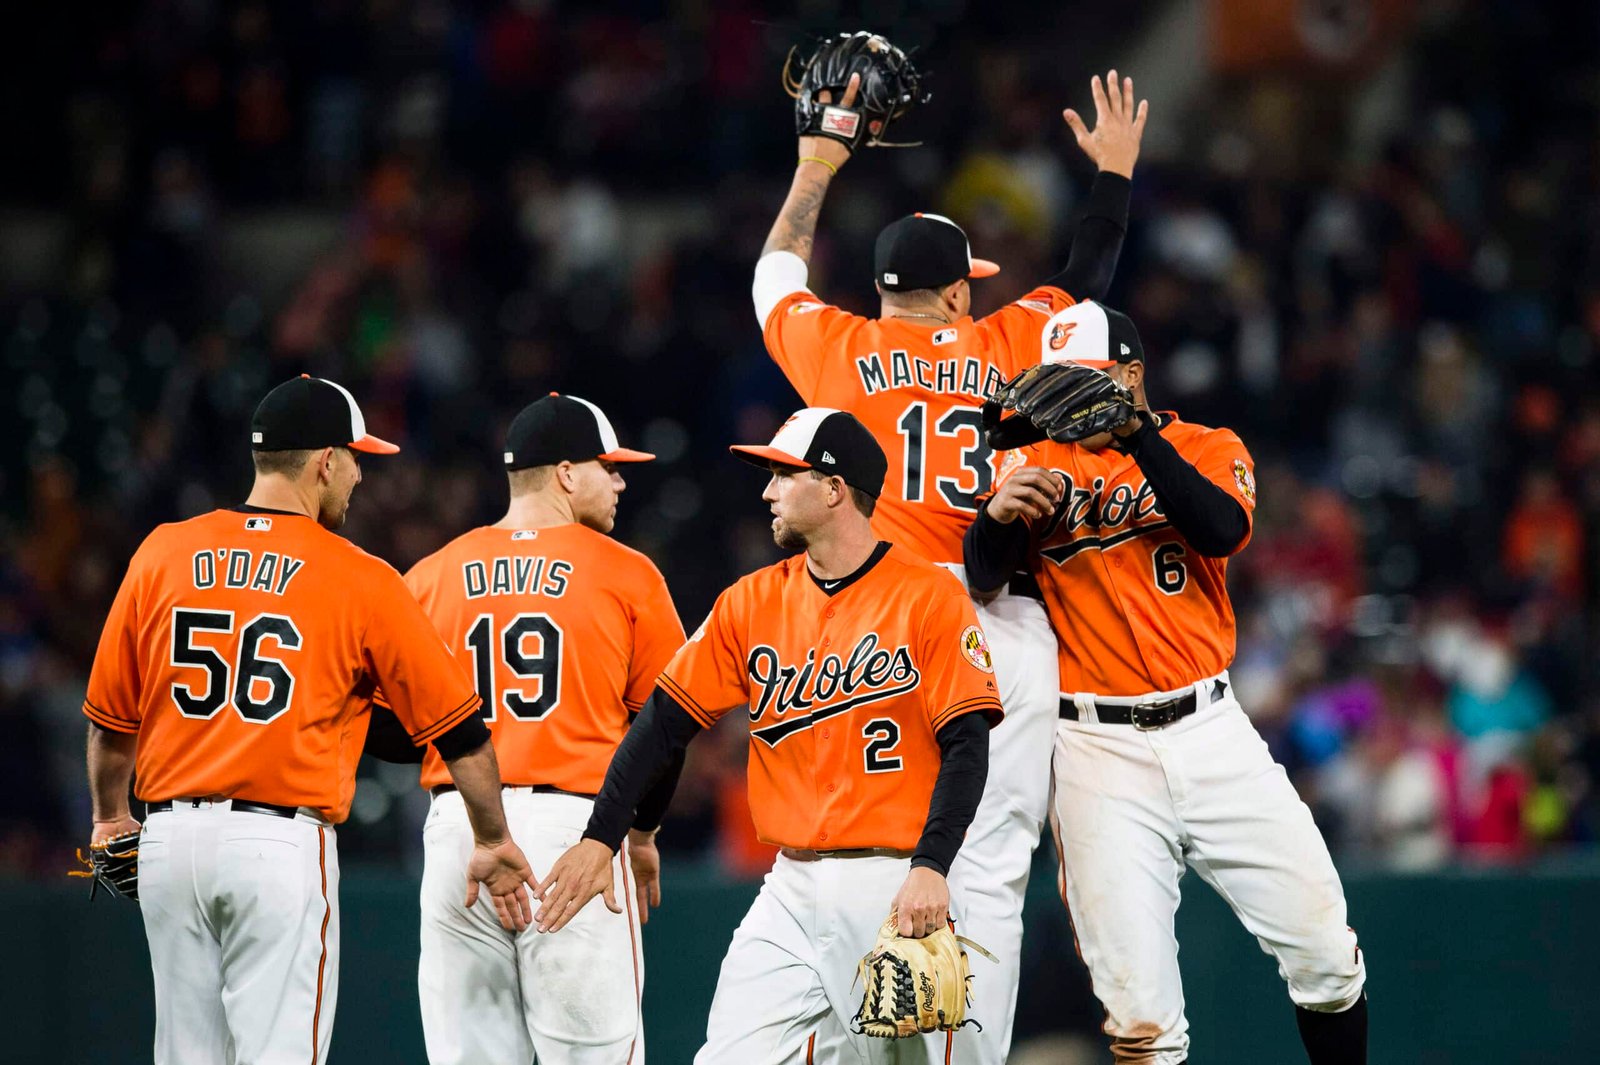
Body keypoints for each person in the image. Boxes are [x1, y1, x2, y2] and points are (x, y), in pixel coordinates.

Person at [750, 68, 1147, 1064]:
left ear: (883, 291)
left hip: (879, 635)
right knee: (985, 875)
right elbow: (1089, 273)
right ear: (961, 285)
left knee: (867, 862)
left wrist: (816, 161)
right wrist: (1112, 173)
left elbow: (775, 273)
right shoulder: (1006, 340)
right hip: (993, 621)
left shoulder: (835, 350)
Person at [81, 374, 536, 1065]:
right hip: (278, 845)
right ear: (326, 461)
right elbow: (461, 733)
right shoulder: (358, 574)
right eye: (356, 459)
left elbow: (110, 721)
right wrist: (494, 835)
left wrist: (110, 819)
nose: (359, 476)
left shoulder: (163, 550)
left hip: (171, 842)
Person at [964, 303, 1369, 1065]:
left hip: (1211, 729)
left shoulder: (1204, 445)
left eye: (1081, 382)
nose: (1066, 400)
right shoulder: (1033, 466)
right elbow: (984, 577)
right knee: (1142, 1020)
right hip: (1094, 748)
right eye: (1054, 384)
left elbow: (1220, 527)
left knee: (1326, 957)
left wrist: (1136, 435)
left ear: (1131, 375)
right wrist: (993, 519)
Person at [536, 408, 1003, 1064]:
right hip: (789, 886)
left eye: (784, 474)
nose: (767, 491)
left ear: (835, 487)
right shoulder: (750, 602)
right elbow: (661, 725)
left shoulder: (927, 595)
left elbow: (967, 744)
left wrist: (931, 864)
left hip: (894, 884)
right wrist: (602, 835)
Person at [396, 393, 685, 1064]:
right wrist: (639, 831)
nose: (619, 480)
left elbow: (393, 726)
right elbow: (666, 732)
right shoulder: (627, 571)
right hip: (574, 838)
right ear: (563, 473)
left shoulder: (430, 574)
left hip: (458, 834)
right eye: (607, 466)